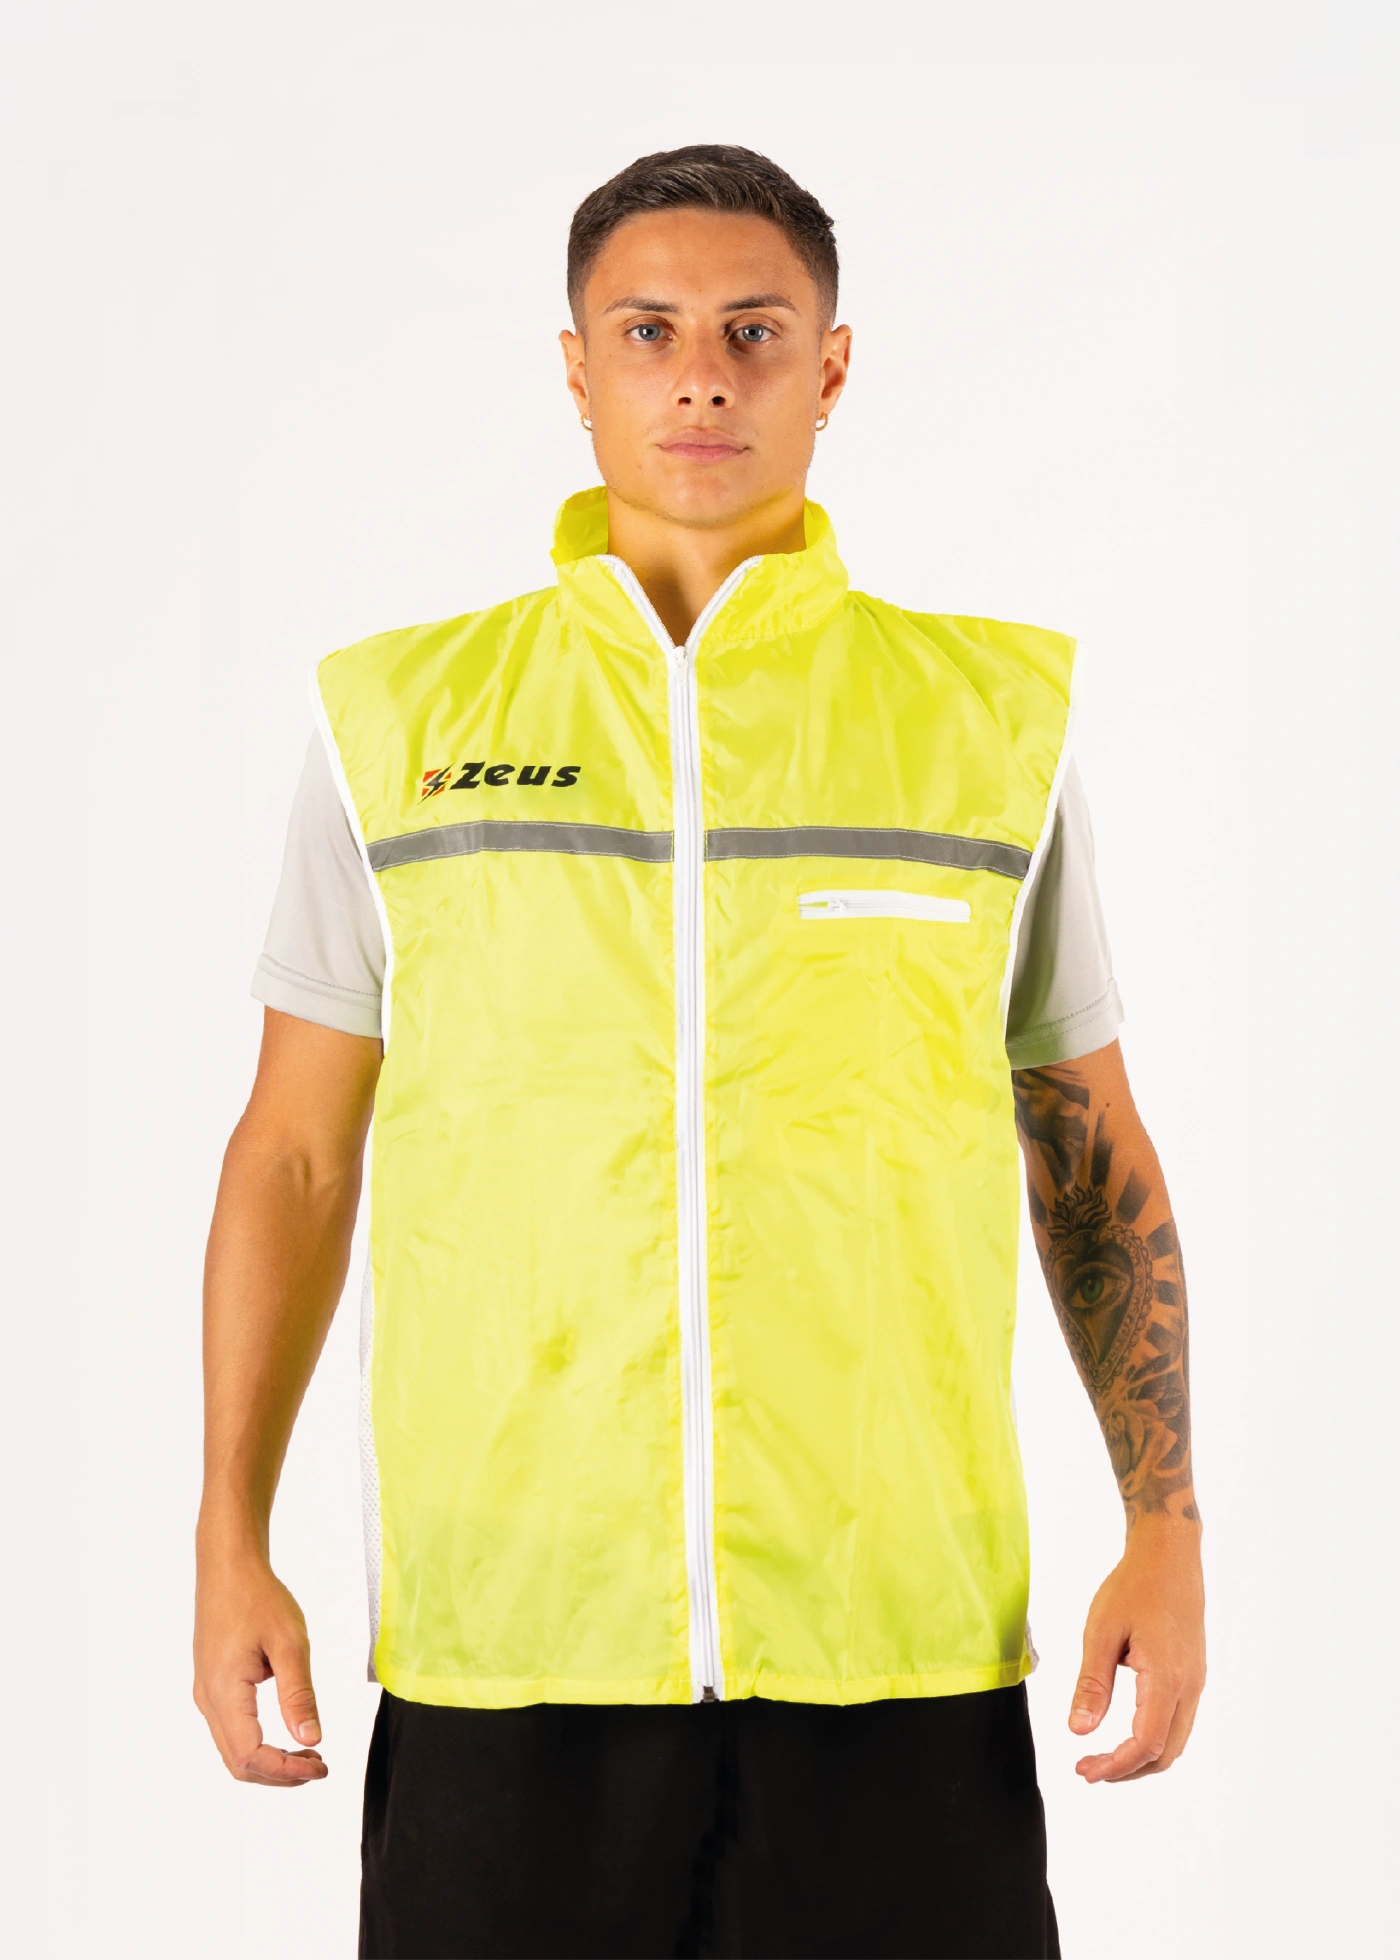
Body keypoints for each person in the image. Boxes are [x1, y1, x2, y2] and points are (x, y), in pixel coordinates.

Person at [194, 145, 1205, 1959]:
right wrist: (227, 1531)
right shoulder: (398, 720)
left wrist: (1167, 1524)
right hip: (512, 1639)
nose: (702, 377)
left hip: (893, 1638)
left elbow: (1088, 1145)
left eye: (755, 331)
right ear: (575, 369)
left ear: (832, 368)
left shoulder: (988, 724)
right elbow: (295, 1152)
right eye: (648, 331)